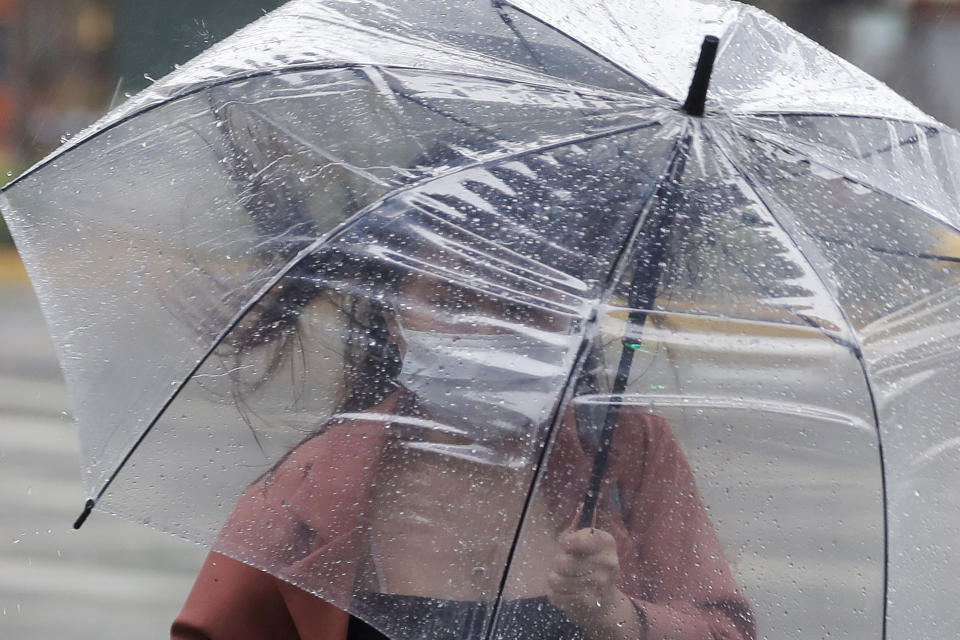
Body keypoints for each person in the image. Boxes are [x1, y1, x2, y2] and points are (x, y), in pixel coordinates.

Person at [169, 241, 756, 640]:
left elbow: (725, 629)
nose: (486, 331)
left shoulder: (630, 452)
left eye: (526, 305)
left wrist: (622, 619)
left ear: (574, 322)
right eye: (451, 299)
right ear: (396, 317)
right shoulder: (310, 493)